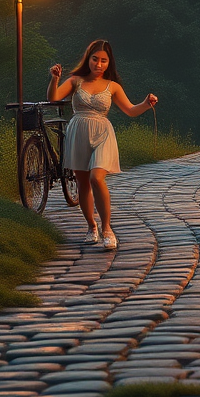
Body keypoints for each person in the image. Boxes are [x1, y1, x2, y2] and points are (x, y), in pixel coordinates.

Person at [47, 40, 158, 249]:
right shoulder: (75, 81)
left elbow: (130, 110)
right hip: (78, 130)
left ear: (109, 63)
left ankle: (107, 228)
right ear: (88, 59)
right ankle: (91, 226)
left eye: (104, 61)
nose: (99, 64)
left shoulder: (113, 86)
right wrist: (55, 80)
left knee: (96, 177)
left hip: (102, 133)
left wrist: (145, 104)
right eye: (95, 59)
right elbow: (53, 98)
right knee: (83, 184)